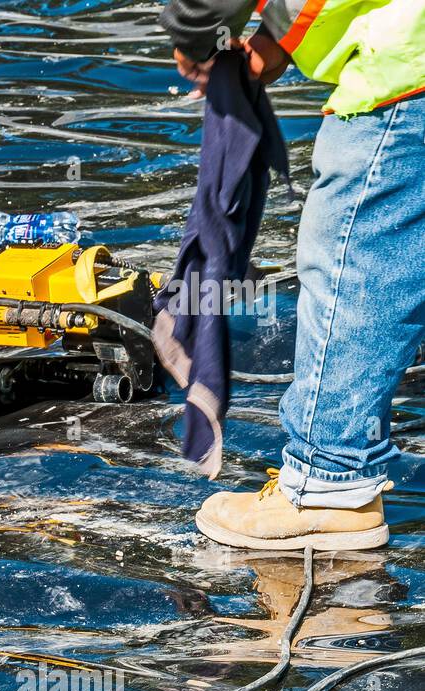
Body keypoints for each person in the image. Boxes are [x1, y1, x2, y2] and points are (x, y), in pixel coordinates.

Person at [160, 0, 425, 551]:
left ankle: (330, 483)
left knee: (355, 256)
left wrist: (198, 33)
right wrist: (278, 36)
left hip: (404, 68)